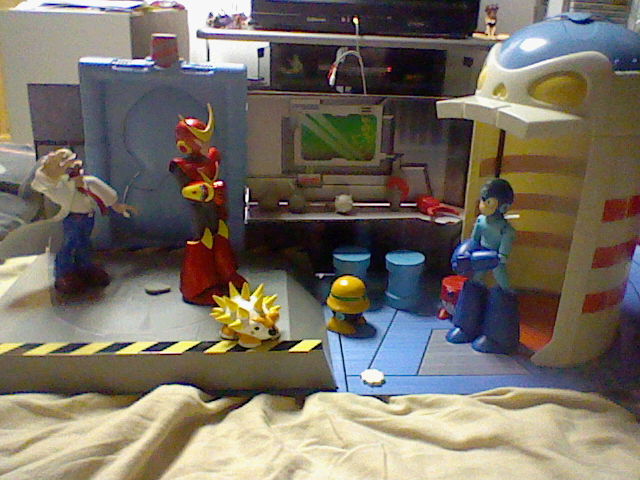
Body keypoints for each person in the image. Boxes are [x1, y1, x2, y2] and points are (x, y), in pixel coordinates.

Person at [31, 148, 136, 294]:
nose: (75, 171)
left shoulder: (87, 182)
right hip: (70, 220)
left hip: (87, 218)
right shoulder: (60, 188)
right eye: (69, 169)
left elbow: (103, 192)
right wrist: (51, 171)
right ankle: (64, 273)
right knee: (67, 246)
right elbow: (41, 184)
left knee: (84, 243)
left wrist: (116, 205)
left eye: (75, 167)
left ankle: (85, 267)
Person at [169, 104, 245, 305]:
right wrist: (208, 191)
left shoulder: (210, 159)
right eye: (198, 140)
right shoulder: (181, 166)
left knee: (221, 238)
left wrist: (217, 193)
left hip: (216, 208)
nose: (203, 144)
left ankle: (227, 275)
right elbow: (187, 190)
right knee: (203, 242)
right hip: (200, 210)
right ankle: (197, 288)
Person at [446, 178, 519, 354]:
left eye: (489, 202)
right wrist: (463, 255)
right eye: (483, 199)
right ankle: (466, 326)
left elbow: (501, 257)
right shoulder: (481, 221)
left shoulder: (506, 230)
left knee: (502, 290)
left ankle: (497, 336)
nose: (483, 205)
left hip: (494, 262)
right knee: (473, 285)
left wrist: (484, 259)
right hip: (479, 259)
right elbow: (474, 241)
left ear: (503, 207)